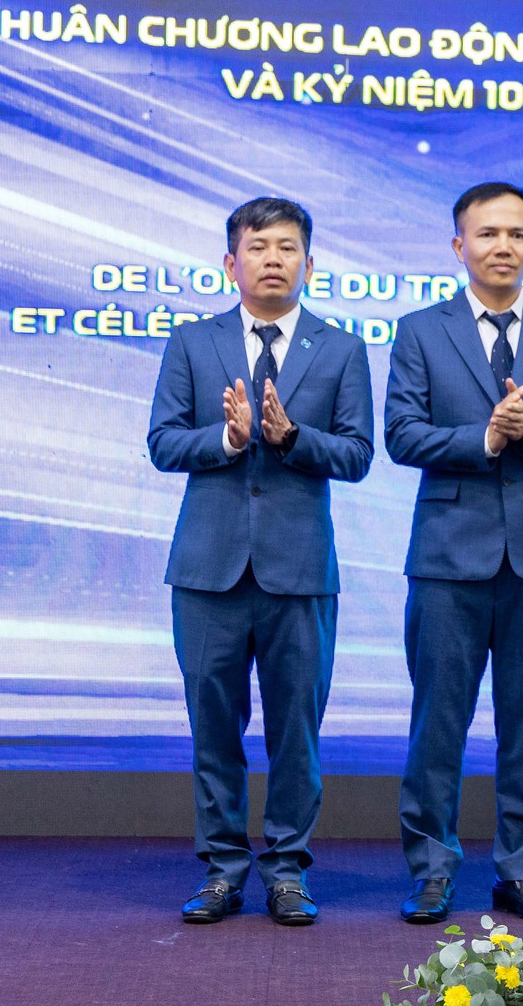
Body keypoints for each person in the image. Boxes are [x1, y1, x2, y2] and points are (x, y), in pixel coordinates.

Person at [385, 182, 523, 925]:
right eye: (487, 234)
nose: (503, 246)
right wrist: (484, 436)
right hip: (448, 555)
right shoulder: (421, 330)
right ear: (460, 246)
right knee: (437, 723)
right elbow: (402, 434)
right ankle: (430, 869)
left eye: (516, 234)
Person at [147, 197, 374, 925]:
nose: (273, 259)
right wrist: (228, 439)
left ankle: (287, 871)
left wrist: (290, 437)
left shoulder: (341, 349)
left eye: (287, 247)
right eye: (258, 246)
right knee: (213, 728)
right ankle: (221, 868)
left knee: (295, 731)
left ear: (309, 263)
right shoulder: (192, 342)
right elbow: (162, 442)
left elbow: (358, 454)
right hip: (208, 571)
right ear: (230, 262)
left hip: (299, 572)